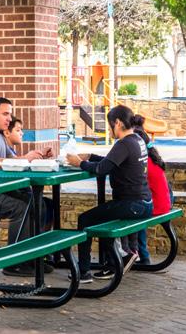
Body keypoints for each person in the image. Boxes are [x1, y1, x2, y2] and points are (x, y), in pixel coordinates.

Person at [66, 105, 153, 283]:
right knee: (103, 217)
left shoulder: (124, 143)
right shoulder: (137, 140)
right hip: (144, 203)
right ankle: (115, 262)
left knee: (85, 220)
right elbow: (112, 162)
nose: (109, 129)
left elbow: (101, 169)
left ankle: (83, 272)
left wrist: (79, 163)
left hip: (132, 205)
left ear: (118, 123)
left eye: (110, 125)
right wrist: (90, 156)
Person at [0, 97, 52, 277]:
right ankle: (13, 263)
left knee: (40, 203)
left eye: (10, 114)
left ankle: (32, 257)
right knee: (21, 208)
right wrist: (25, 158)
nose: (9, 118)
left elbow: (13, 162)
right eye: (5, 114)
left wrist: (35, 157)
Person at [132, 115, 172, 265]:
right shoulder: (154, 158)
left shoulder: (143, 162)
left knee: (135, 213)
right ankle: (139, 254)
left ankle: (139, 254)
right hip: (166, 203)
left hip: (158, 206)